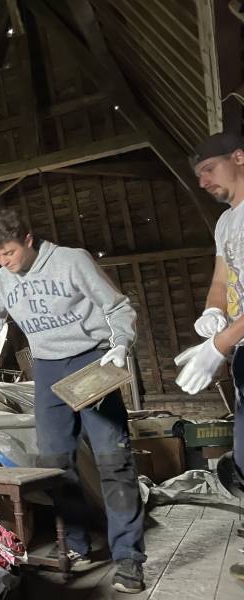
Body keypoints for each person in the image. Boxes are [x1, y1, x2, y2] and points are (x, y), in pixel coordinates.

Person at [0, 209, 146, 593]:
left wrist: (119, 344)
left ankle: (129, 559)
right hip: (48, 368)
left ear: (29, 239)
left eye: (11, 253)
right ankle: (80, 546)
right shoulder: (0, 281)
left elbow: (117, 306)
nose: (6, 262)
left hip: (91, 361)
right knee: (55, 463)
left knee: (113, 459)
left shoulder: (72, 261)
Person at [174, 131, 244, 582]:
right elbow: (222, 277)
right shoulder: (226, 223)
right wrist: (213, 312)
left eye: (208, 170)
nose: (201, 182)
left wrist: (218, 346)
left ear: (239, 157)